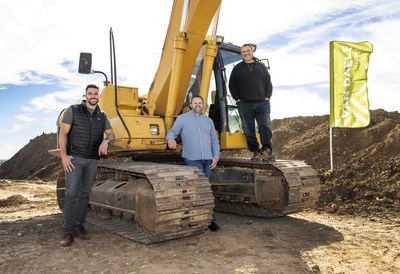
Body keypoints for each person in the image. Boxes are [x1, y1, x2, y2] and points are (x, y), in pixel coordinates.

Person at [58, 84, 115, 247]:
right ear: (86, 95)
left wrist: (106, 140)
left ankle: (79, 227)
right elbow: (63, 133)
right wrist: (64, 156)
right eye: (90, 93)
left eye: (96, 93)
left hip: (92, 160)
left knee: (84, 195)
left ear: (99, 96)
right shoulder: (73, 110)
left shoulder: (102, 115)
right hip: (75, 159)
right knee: (71, 195)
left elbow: (111, 134)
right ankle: (68, 233)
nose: (93, 96)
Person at [166, 95, 221, 231]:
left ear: (203, 105)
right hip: (192, 157)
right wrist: (170, 139)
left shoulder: (208, 121)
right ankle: (208, 220)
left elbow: (214, 141)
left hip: (208, 159)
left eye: (200, 103)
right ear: (190, 105)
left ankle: (204, 217)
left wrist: (216, 157)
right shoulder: (182, 119)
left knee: (204, 188)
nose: (197, 105)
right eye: (195, 103)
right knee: (202, 187)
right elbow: (172, 132)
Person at [229, 43, 275, 162]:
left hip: (262, 103)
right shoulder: (237, 68)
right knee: (248, 129)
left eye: (248, 51)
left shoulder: (261, 67)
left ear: (252, 51)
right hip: (245, 104)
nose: (246, 53)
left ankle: (267, 150)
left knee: (264, 126)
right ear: (241, 54)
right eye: (243, 51)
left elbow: (268, 83)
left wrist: (267, 98)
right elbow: (232, 85)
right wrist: (238, 99)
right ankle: (255, 151)